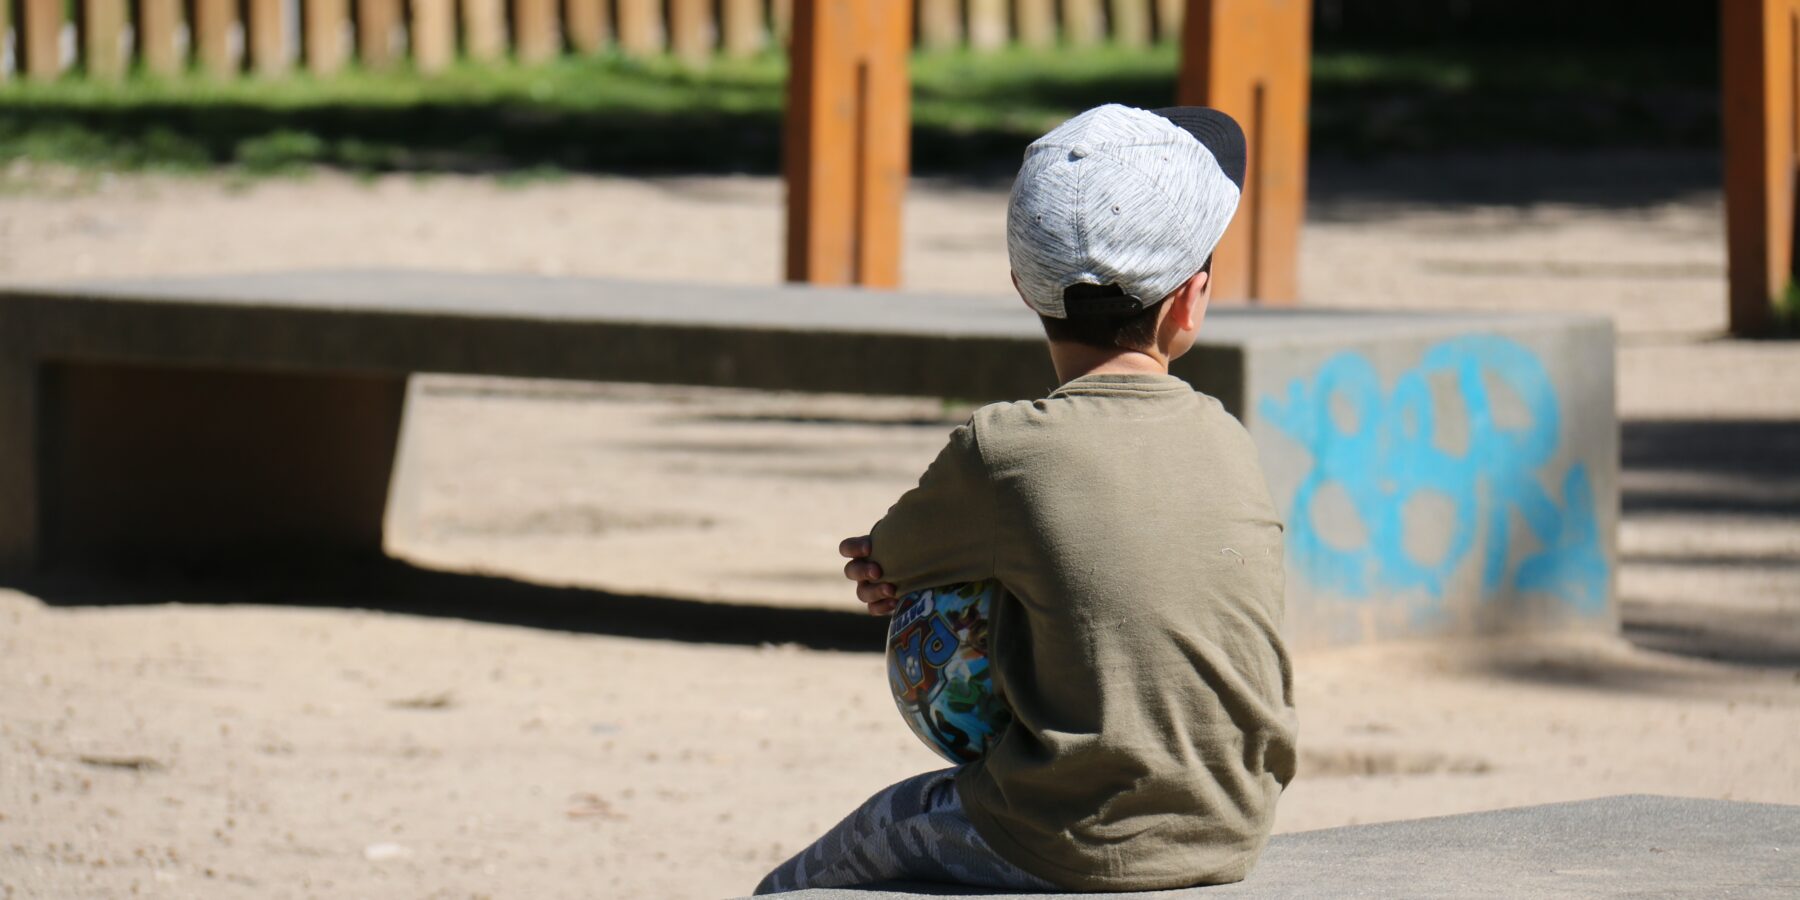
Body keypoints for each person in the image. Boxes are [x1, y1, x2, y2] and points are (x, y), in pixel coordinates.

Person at [754, 104, 1297, 895]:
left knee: (824, 869)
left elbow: (890, 556)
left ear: (1021, 286)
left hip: (1060, 836)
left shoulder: (1002, 449)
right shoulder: (1229, 438)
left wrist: (893, 575)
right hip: (1231, 822)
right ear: (1190, 302)